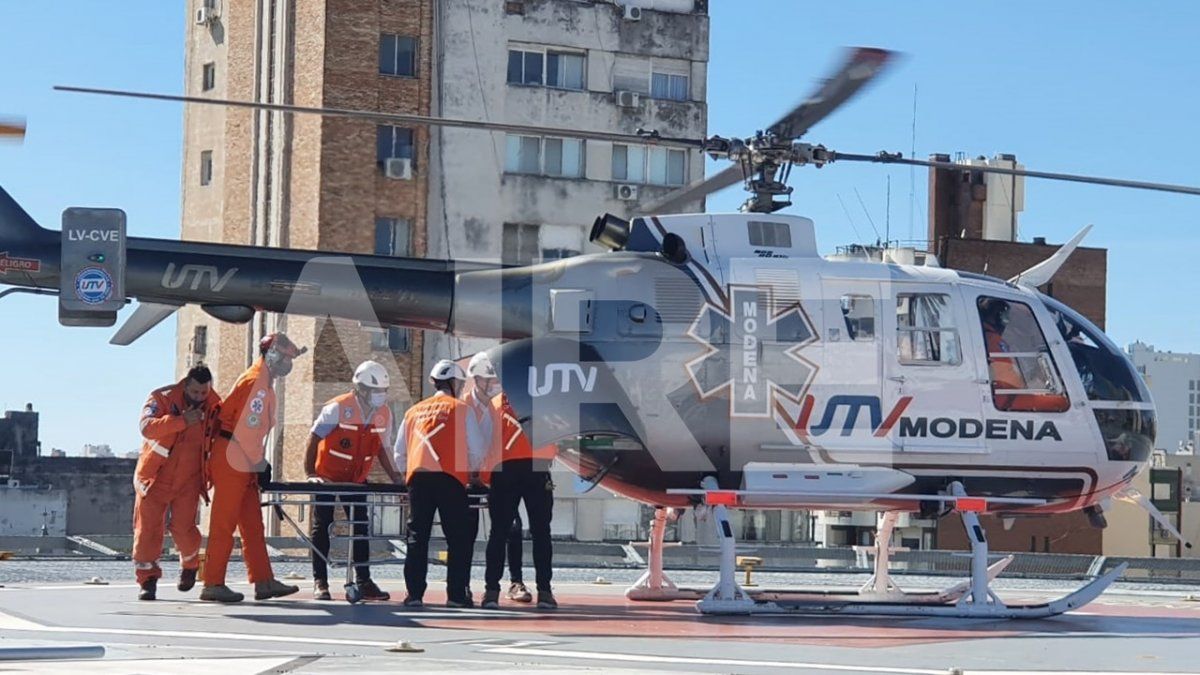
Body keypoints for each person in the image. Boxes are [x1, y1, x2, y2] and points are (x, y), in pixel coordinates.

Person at [200, 333, 305, 603]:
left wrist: (257, 463)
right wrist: (259, 463)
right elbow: (246, 430)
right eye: (285, 358)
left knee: (252, 524)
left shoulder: (263, 382)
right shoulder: (256, 384)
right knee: (224, 524)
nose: (288, 364)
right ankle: (212, 583)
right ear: (272, 355)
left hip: (242, 457)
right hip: (234, 455)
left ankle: (263, 581)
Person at [304, 360, 402, 601]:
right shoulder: (337, 408)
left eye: (383, 391)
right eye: (376, 391)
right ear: (361, 389)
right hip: (327, 477)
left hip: (356, 478)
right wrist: (311, 475)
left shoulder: (384, 414)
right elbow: (314, 438)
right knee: (323, 527)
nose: (381, 396)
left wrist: (396, 478)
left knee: (360, 527)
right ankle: (321, 581)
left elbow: (383, 448)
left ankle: (364, 580)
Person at [473, 352, 559, 610]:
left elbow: (485, 442)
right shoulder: (547, 400)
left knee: (499, 532)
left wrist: (484, 477)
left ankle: (491, 593)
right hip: (538, 468)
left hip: (505, 470)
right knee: (541, 532)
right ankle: (545, 592)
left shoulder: (496, 404)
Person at [132, 365, 221, 601]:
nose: (200, 397)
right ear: (186, 385)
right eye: (195, 392)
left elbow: (225, 434)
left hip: (189, 480)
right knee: (148, 531)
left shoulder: (215, 404)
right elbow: (146, 427)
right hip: (154, 477)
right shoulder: (161, 397)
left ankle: (190, 566)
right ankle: (147, 580)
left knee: (184, 528)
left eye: (204, 393)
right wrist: (181, 421)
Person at [394, 359, 474, 608]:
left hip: (418, 479)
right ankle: (456, 596)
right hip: (451, 478)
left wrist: (408, 474)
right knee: (458, 538)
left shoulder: (414, 411)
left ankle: (414, 594)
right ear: (454, 383)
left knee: (417, 537)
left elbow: (399, 453)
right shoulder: (460, 408)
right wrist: (474, 475)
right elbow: (477, 447)